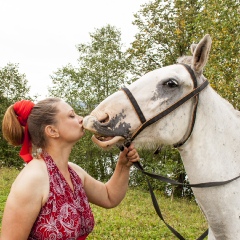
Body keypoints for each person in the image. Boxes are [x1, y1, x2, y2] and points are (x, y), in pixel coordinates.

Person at [0, 97, 140, 240]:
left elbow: (109, 197)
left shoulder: (74, 171)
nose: (81, 119)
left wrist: (123, 166)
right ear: (52, 130)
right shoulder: (32, 179)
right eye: (72, 115)